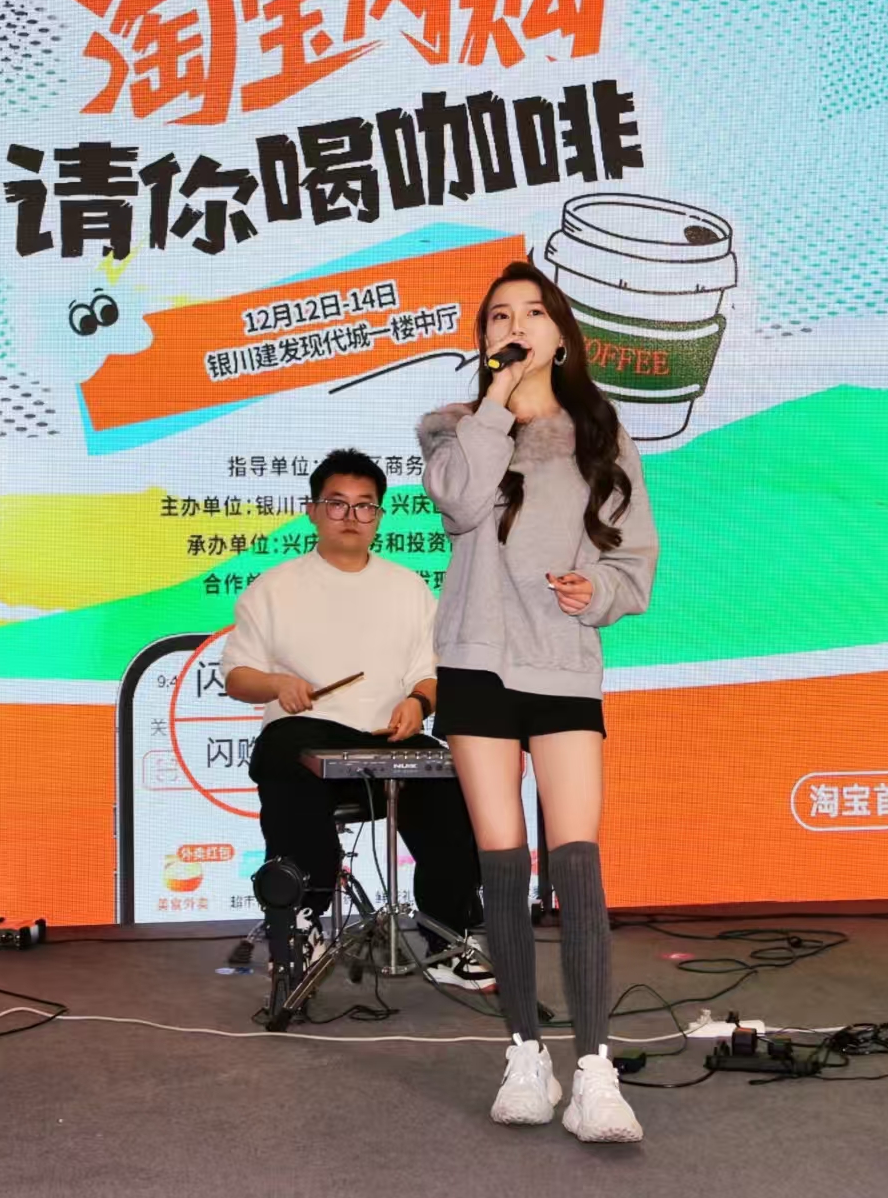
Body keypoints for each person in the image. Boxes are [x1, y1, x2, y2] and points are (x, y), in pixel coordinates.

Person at [417, 260, 658, 1143]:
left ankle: (594, 1068)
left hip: (561, 660)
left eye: (531, 312)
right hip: (477, 660)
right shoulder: (453, 427)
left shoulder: (601, 432)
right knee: (501, 860)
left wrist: (596, 591)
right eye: (497, 317)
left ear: (561, 334)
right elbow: (458, 503)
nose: (514, 325)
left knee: (578, 857)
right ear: (484, 338)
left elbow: (634, 558)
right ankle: (525, 1050)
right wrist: (495, 402)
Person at [223, 448, 490, 990]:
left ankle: (450, 935)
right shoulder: (274, 588)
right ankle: (301, 921)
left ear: (379, 515)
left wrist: (418, 704)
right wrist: (277, 684)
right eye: (337, 504)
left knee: (453, 779)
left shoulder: (409, 588)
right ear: (312, 511)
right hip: (310, 737)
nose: (351, 516)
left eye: (365, 506)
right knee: (285, 754)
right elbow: (237, 676)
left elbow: (430, 674)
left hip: (389, 740)